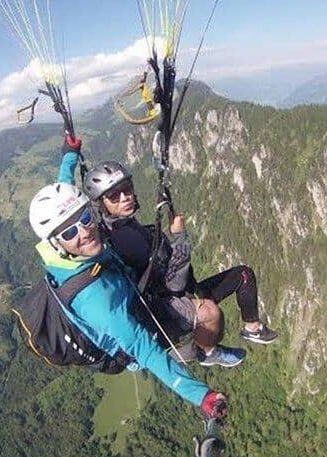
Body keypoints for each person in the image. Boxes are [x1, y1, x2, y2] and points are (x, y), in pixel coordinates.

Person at [27, 160, 226, 419]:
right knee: (208, 314)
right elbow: (145, 349)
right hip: (129, 337)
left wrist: (69, 155)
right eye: (69, 234)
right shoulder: (98, 301)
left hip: (128, 295)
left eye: (86, 218)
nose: (85, 231)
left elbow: (63, 189)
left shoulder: (64, 251)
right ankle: (190, 353)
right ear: (55, 243)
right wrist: (203, 396)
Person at [78, 157, 279, 356]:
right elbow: (175, 284)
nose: (125, 197)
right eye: (114, 196)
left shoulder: (111, 226)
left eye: (127, 189)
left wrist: (70, 153)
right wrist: (179, 237)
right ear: (102, 204)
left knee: (243, 275)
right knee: (224, 297)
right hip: (170, 305)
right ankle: (206, 351)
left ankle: (252, 329)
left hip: (171, 295)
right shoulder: (127, 239)